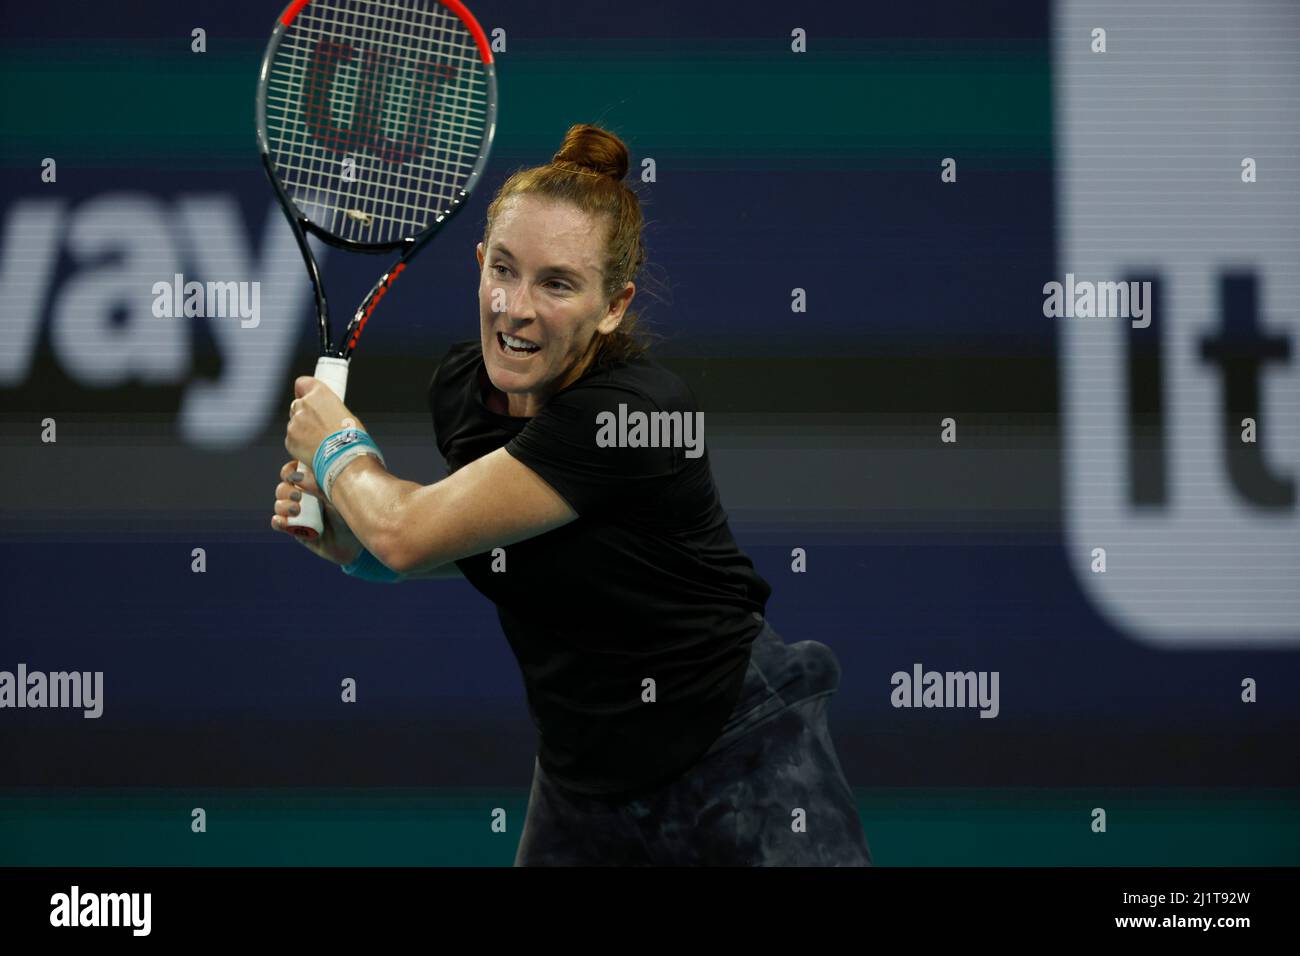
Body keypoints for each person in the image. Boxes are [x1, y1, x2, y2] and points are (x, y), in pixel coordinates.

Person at [271, 123, 872, 867]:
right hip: (580, 781)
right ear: (479, 264)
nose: (516, 308)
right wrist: (358, 552)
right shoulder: (462, 390)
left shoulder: (640, 415)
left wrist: (334, 444)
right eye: (504, 270)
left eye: (556, 283)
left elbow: (409, 530)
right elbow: (483, 544)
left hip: (739, 752)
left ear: (612, 306)